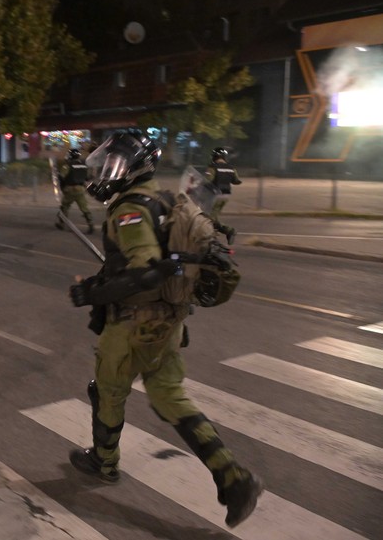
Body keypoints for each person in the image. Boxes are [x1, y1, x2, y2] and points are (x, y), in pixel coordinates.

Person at [68, 132, 263, 528]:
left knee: (107, 390)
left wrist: (91, 291)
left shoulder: (130, 209)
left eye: (113, 165)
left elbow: (146, 270)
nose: (107, 172)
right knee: (169, 396)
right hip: (170, 320)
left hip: (133, 324)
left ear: (135, 167)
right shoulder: (168, 200)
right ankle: (234, 477)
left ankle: (103, 463)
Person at [204, 147, 242, 244]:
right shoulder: (231, 168)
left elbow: (207, 181)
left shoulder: (212, 167)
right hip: (225, 197)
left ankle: (227, 231)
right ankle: (224, 232)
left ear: (214, 156)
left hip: (215, 196)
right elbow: (237, 181)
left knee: (208, 218)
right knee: (212, 217)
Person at [55, 147, 94, 233]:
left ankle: (62, 224)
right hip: (80, 189)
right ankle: (90, 224)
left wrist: (62, 186)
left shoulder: (67, 165)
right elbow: (87, 178)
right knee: (84, 208)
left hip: (70, 189)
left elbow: (61, 177)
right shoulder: (84, 165)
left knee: (64, 206)